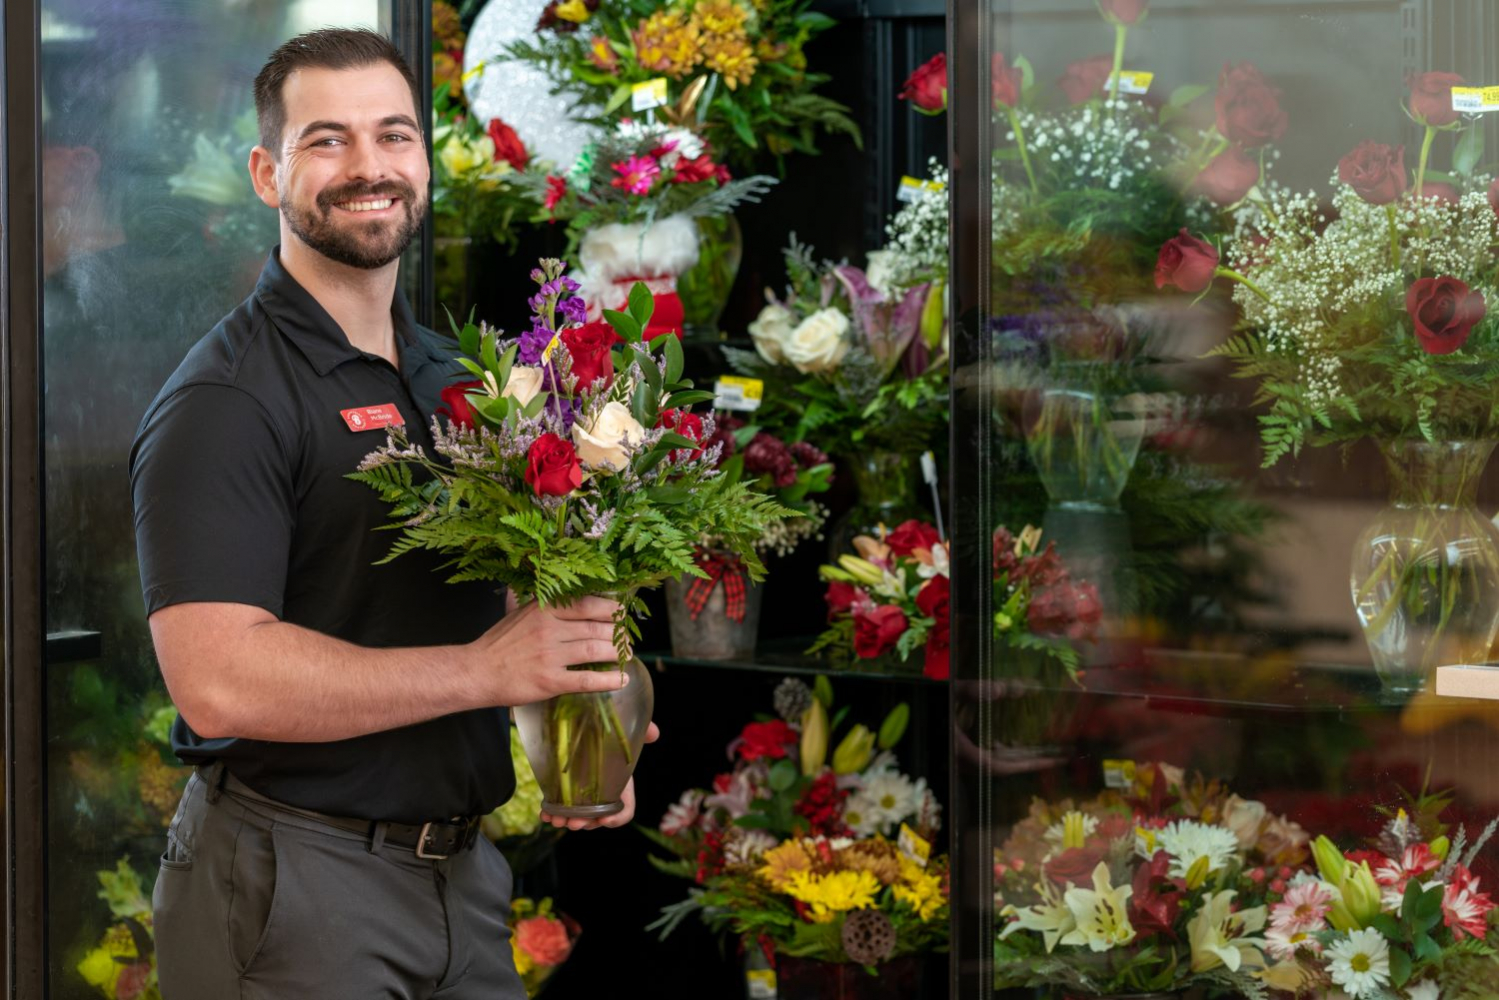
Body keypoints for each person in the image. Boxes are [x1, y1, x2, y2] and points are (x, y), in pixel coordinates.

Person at [130, 28, 655, 999]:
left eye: (394, 135)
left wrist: (592, 710)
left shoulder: (456, 379)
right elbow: (217, 680)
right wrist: (483, 671)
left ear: (422, 158)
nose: (368, 167)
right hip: (295, 883)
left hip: (462, 879)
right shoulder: (226, 402)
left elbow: (496, 599)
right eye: (326, 139)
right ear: (265, 172)